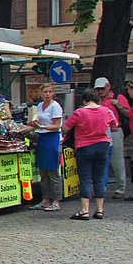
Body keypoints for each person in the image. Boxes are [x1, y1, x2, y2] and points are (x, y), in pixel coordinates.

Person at [63, 88, 119, 220]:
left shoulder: (79, 112)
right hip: (103, 146)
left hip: (84, 147)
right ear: (97, 99)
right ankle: (100, 210)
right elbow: (115, 127)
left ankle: (84, 210)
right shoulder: (106, 111)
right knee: (99, 177)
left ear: (84, 99)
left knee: (85, 178)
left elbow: (65, 128)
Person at [94, 77, 131, 198]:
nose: (100, 92)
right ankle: (101, 188)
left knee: (117, 161)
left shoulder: (118, 98)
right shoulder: (96, 100)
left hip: (114, 131)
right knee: (100, 161)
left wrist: (119, 106)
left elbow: (129, 114)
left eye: (102, 89)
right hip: (100, 132)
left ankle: (121, 188)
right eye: (98, 89)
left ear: (108, 87)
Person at [28, 82, 63, 211]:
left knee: (53, 172)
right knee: (43, 172)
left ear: (53, 93)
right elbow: (35, 123)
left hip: (52, 138)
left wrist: (42, 127)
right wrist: (22, 130)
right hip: (42, 138)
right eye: (45, 92)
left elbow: (57, 125)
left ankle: (56, 200)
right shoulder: (40, 105)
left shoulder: (55, 106)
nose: (48, 94)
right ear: (41, 93)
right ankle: (45, 199)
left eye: (50, 92)